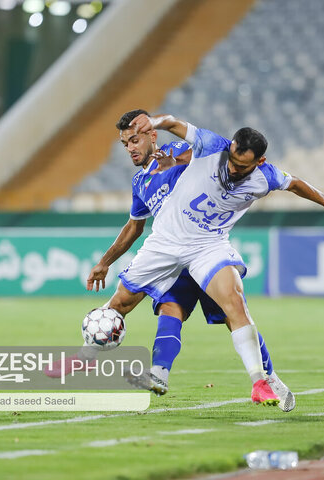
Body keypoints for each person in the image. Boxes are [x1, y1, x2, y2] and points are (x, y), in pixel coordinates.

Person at [49, 109, 294, 411]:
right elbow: (134, 228)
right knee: (149, 303)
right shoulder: (141, 183)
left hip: (205, 245)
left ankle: (268, 378)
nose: (131, 148)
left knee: (234, 313)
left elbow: (207, 157)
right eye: (125, 144)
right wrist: (105, 262)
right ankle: (104, 361)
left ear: (151, 135)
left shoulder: (179, 151)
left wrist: (175, 157)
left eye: (135, 140)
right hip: (170, 252)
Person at [118, 111, 324, 406]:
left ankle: (265, 380)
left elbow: (295, 183)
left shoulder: (266, 176)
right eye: (232, 160)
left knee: (234, 307)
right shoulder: (212, 146)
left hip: (210, 245)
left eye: (241, 166)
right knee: (169, 306)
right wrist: (153, 122)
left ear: (258, 162)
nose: (232, 169)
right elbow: (173, 123)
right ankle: (159, 372)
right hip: (173, 243)